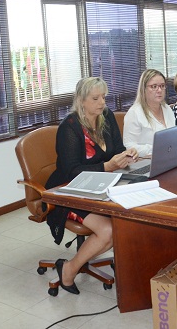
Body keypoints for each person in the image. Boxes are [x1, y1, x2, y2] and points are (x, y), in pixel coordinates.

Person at [45, 77, 138, 295]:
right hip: (69, 191)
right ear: (81, 101)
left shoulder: (106, 117)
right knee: (107, 231)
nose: (102, 103)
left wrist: (127, 154)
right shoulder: (70, 127)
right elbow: (71, 172)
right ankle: (68, 269)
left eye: (103, 97)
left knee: (133, 216)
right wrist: (107, 166)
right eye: (95, 98)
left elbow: (118, 148)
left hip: (101, 186)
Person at [124, 69, 177, 157]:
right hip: (146, 161)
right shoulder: (134, 113)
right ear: (144, 89)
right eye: (154, 86)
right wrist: (157, 149)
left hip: (169, 157)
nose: (159, 90)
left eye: (162, 86)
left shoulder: (167, 109)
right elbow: (129, 147)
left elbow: (171, 137)